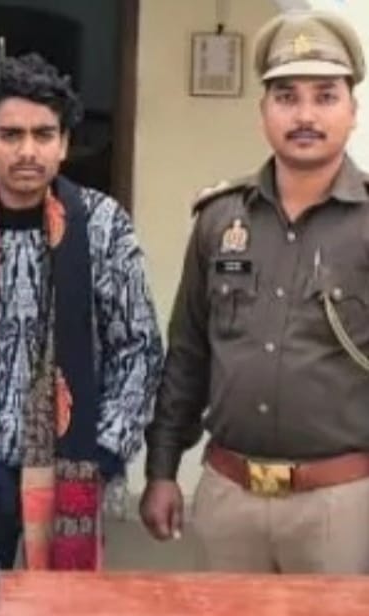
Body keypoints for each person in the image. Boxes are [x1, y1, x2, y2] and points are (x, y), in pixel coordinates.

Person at [0, 52, 163, 570]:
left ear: (64, 144)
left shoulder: (102, 225)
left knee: (61, 608)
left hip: (69, 464)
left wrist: (107, 449)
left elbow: (138, 346)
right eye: (11, 135)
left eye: (43, 134)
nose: (28, 150)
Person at [140, 10, 369, 574]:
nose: (305, 115)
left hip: (341, 504)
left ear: (353, 110)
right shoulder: (221, 219)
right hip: (229, 497)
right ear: (263, 111)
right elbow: (188, 353)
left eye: (325, 96)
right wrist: (162, 469)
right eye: (287, 97)